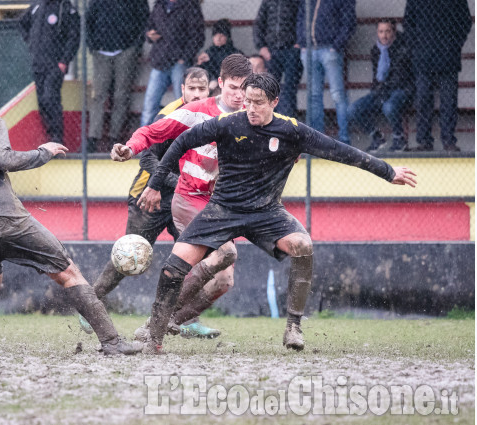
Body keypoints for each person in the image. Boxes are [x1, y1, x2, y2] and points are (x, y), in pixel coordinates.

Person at [136, 73, 417, 355]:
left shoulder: (292, 131)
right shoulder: (227, 124)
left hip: (266, 212)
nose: (251, 108)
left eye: (258, 102)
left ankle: (293, 326)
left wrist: (388, 171)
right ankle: (155, 337)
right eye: (247, 102)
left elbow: (339, 150)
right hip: (222, 209)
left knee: (303, 246)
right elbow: (180, 142)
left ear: (274, 102)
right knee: (173, 267)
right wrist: (155, 184)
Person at [0, 80, 141, 356]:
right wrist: (43, 153)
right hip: (6, 219)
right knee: (68, 273)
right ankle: (112, 342)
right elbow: (3, 159)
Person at [111, 54, 253, 340]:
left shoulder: (254, 116)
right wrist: (130, 147)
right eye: (233, 88)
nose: (239, 95)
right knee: (226, 253)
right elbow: (151, 132)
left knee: (223, 282)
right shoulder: (197, 111)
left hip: (221, 205)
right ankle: (151, 320)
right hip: (189, 198)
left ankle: (161, 323)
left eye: (245, 88)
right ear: (220, 84)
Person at [79, 67, 211, 337]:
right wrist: (174, 184)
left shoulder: (213, 115)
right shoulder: (170, 116)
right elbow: (148, 158)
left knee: (192, 255)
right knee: (130, 255)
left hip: (181, 198)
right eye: (192, 89)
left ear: (210, 90)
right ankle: (90, 303)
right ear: (181, 90)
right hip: (148, 196)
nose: (197, 94)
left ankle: (186, 319)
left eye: (202, 89)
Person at [403, 0, 472, 152]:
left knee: (448, 101)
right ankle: (425, 141)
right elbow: (408, 23)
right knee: (424, 100)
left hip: (446, 57)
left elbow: (465, 22)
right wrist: (417, 47)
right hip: (426, 58)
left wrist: (453, 45)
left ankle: (447, 140)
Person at [86, 0, 149, 152]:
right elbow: (88, 21)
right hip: (101, 51)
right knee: (98, 95)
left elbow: (144, 19)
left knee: (121, 95)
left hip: (126, 50)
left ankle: (114, 137)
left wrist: (135, 46)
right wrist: (92, 45)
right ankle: (93, 138)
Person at [347, 19, 413, 153]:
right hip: (382, 91)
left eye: (387, 31)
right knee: (353, 109)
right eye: (381, 31)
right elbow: (376, 78)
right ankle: (377, 137)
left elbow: (400, 79)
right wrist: (377, 93)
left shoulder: (403, 48)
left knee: (388, 107)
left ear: (394, 32)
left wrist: (381, 92)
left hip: (402, 90)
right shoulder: (376, 50)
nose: (384, 36)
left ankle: (399, 139)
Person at [19, 0, 80, 145]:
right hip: (38, 63)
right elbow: (22, 23)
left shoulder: (65, 8)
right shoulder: (37, 6)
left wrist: (64, 61)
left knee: (50, 97)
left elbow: (74, 38)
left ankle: (57, 137)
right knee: (42, 101)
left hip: (55, 64)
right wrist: (31, 43)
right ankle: (49, 136)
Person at [296, 0, 356, 144]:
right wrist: (302, 42)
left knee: (337, 95)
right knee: (315, 96)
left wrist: (336, 45)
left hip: (329, 49)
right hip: (310, 50)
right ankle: (318, 141)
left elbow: (349, 23)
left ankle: (344, 140)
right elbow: (300, 19)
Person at [140, 0, 205, 126]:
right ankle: (143, 142)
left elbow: (198, 36)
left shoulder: (190, 5)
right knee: (150, 105)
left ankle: (184, 139)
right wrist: (149, 35)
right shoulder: (159, 5)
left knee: (182, 105)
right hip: (160, 60)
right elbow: (149, 27)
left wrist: (185, 57)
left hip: (179, 63)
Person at [253, 0, 302, 117]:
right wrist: (261, 46)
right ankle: (271, 121)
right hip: (272, 51)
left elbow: (302, 20)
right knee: (270, 89)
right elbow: (259, 23)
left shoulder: (297, 2)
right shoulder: (268, 2)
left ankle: (288, 123)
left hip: (291, 50)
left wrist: (299, 43)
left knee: (290, 88)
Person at [196, 19, 243, 94]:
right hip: (209, 81)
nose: (218, 38)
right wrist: (200, 63)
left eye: (221, 35)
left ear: (227, 37)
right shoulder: (208, 51)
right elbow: (201, 71)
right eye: (215, 35)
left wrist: (210, 61)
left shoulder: (234, 52)